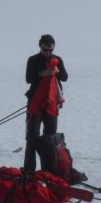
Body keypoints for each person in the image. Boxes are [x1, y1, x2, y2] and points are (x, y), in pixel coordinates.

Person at [23, 34, 68, 173]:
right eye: (45, 49)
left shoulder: (57, 60)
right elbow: (28, 79)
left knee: (49, 139)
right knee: (32, 138)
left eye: (51, 49)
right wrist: (41, 74)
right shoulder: (33, 59)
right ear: (40, 47)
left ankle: (48, 171)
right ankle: (29, 171)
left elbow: (65, 77)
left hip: (51, 103)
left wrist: (57, 71)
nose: (48, 52)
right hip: (35, 103)